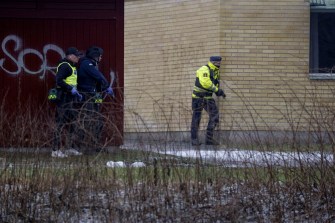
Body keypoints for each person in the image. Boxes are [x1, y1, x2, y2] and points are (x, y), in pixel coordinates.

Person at [77, 46, 114, 153]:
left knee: (97, 121)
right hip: (88, 96)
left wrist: (103, 88)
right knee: (91, 121)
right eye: (100, 56)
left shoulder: (90, 64)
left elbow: (95, 81)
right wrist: (107, 86)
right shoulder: (87, 64)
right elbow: (98, 76)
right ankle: (89, 147)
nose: (101, 58)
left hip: (93, 95)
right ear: (95, 56)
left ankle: (96, 146)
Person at [52, 47, 83, 158]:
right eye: (76, 56)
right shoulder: (65, 66)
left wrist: (76, 92)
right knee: (60, 124)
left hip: (71, 99)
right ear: (70, 56)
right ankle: (55, 150)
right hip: (64, 99)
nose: (78, 58)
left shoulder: (72, 66)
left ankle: (70, 148)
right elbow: (58, 81)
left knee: (72, 124)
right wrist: (70, 89)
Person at [190, 56, 226, 146]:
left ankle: (209, 140)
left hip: (208, 98)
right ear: (213, 62)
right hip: (198, 97)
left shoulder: (215, 71)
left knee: (215, 116)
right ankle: (194, 139)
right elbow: (205, 82)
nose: (219, 65)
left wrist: (219, 92)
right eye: (218, 63)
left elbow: (213, 83)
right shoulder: (204, 69)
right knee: (196, 118)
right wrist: (216, 90)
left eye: (220, 63)